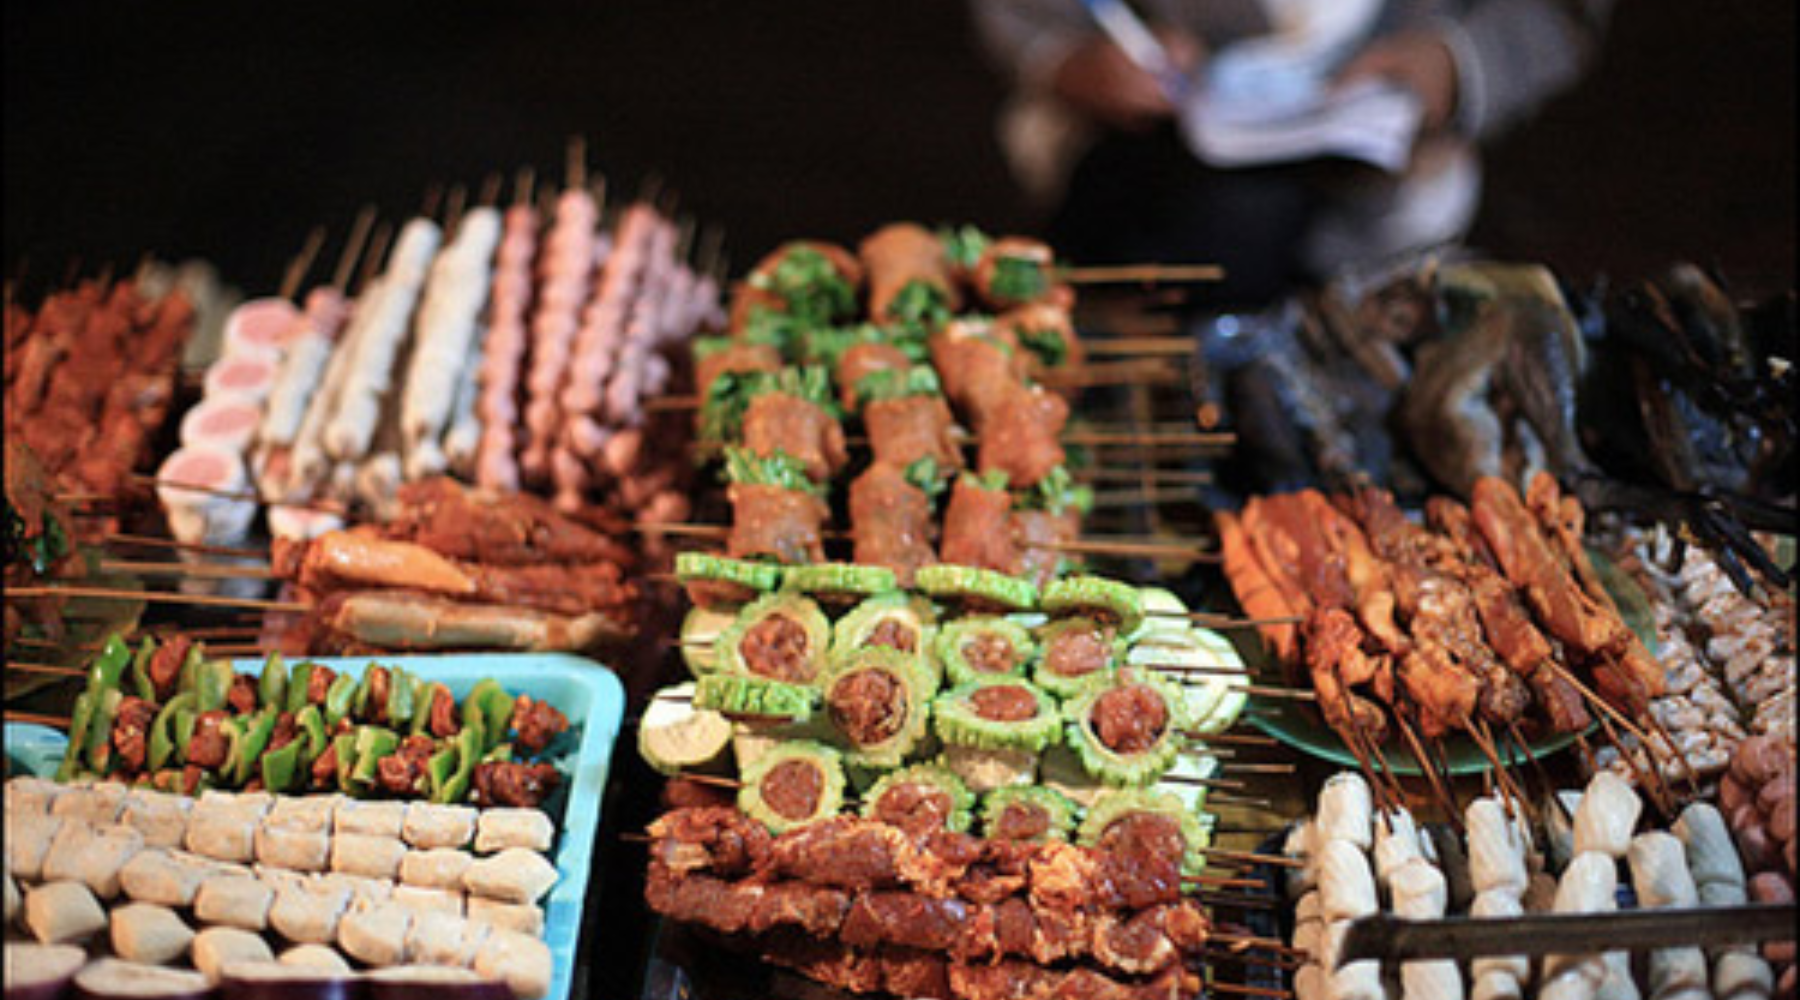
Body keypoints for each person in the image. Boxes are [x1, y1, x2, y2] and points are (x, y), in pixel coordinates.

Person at [970, 0, 1614, 305]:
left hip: (1387, 187)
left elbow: (1559, 14)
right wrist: (1067, 59)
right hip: (1143, 167)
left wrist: (1455, 63)